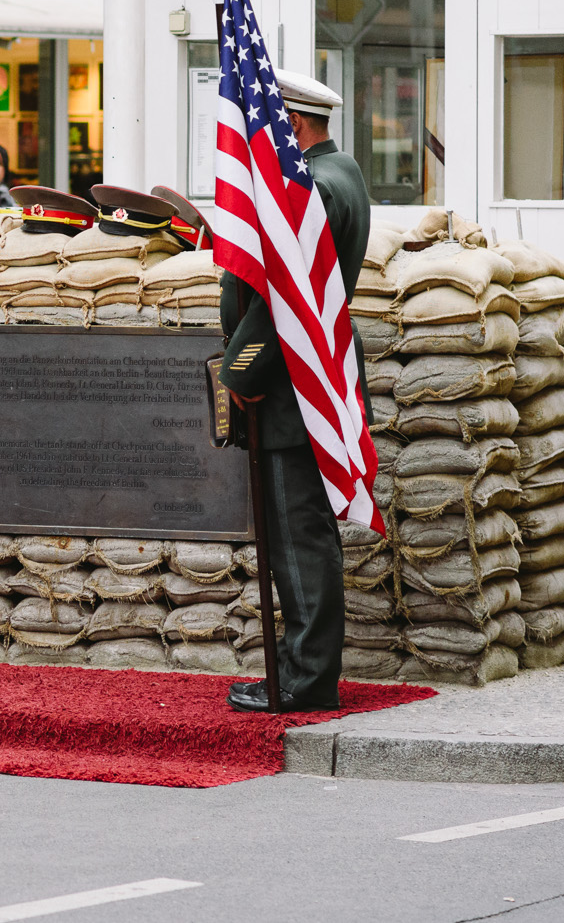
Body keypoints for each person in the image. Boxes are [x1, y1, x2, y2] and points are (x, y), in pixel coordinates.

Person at [219, 68, 371, 715]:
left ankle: (306, 679)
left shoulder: (314, 187)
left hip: (289, 385)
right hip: (304, 377)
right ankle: (302, 667)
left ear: (295, 123)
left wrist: (241, 370)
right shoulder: (341, 171)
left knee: (297, 535)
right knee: (302, 532)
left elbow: (289, 293)